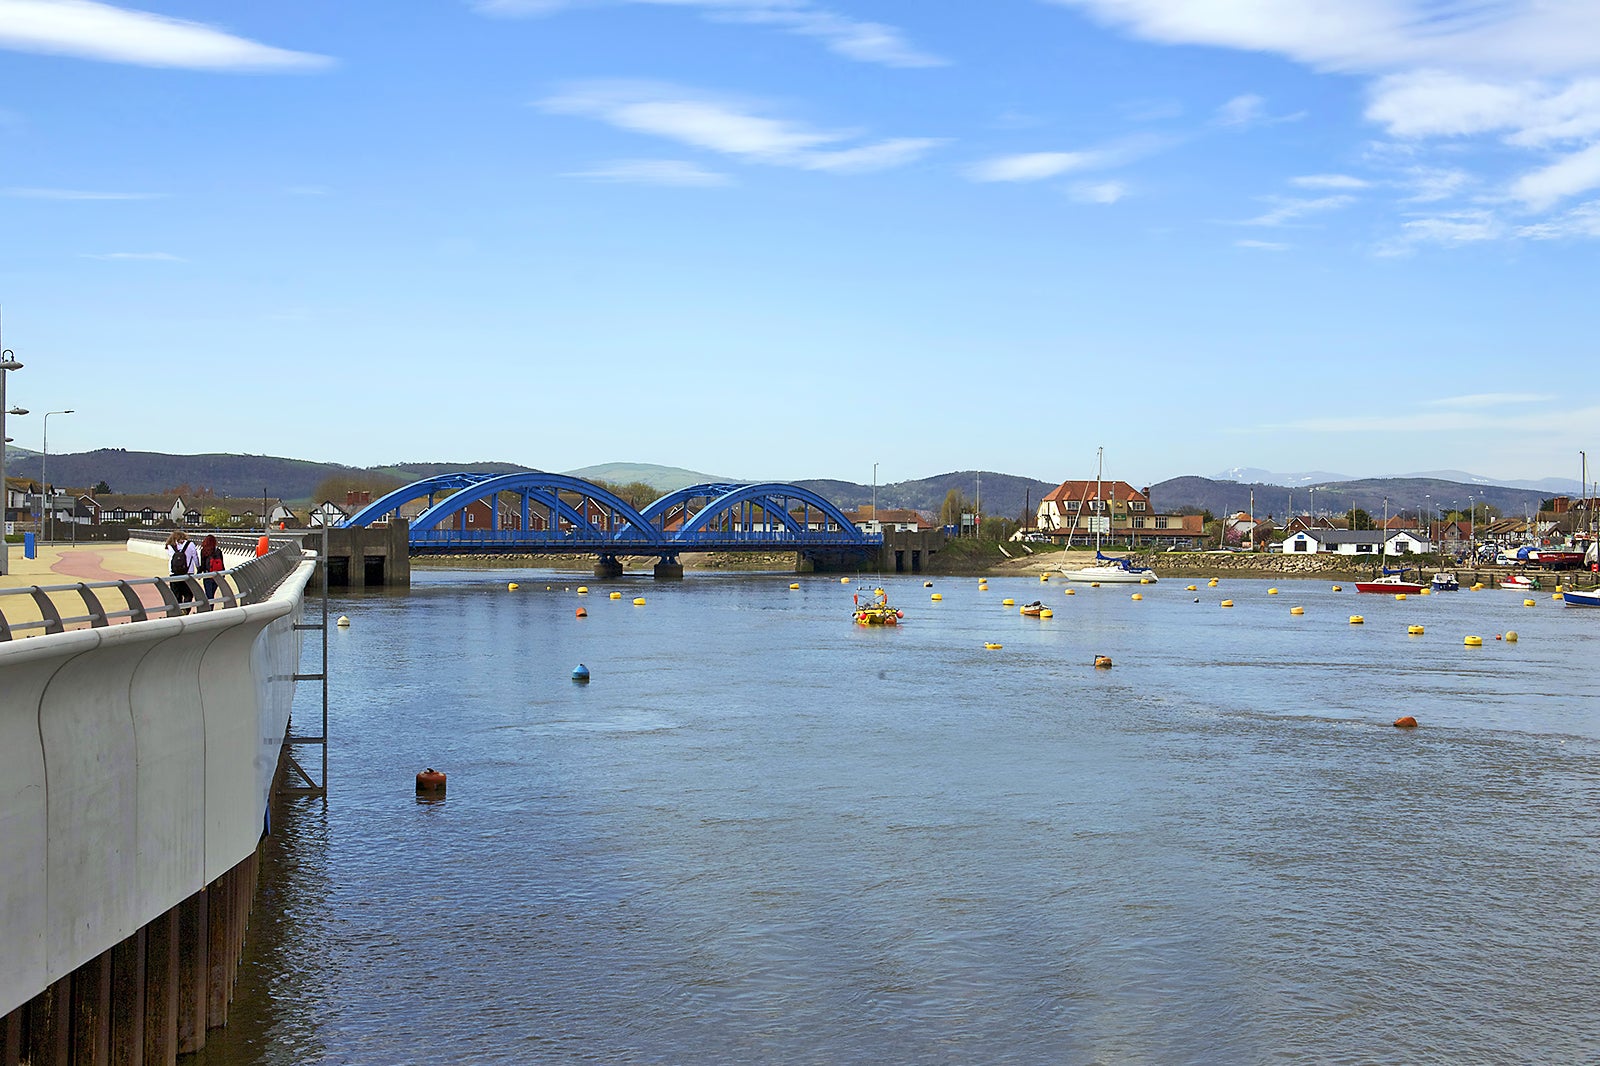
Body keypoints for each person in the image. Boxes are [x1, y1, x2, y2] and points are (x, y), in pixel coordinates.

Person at [166, 529, 200, 609]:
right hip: (188, 572)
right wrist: (198, 568)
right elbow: (195, 557)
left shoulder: (170, 545)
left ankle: (179, 611)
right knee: (188, 594)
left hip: (174, 573)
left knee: (176, 594)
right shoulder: (190, 544)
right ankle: (186, 610)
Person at [199, 534, 225, 599]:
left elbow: (203, 564)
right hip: (217, 575)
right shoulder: (218, 551)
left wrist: (199, 573)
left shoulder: (204, 551)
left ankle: (209, 608)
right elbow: (222, 563)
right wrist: (223, 574)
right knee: (212, 594)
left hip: (208, 574)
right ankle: (211, 607)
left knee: (208, 595)